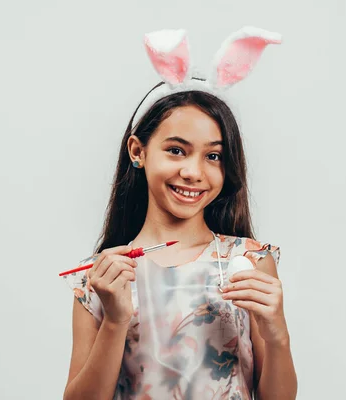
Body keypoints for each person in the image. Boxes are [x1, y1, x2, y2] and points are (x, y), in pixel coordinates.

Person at [61, 26, 297, 400]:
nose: (193, 172)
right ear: (138, 151)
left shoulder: (250, 261)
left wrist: (277, 333)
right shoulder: (100, 279)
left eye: (213, 156)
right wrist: (117, 319)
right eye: (176, 150)